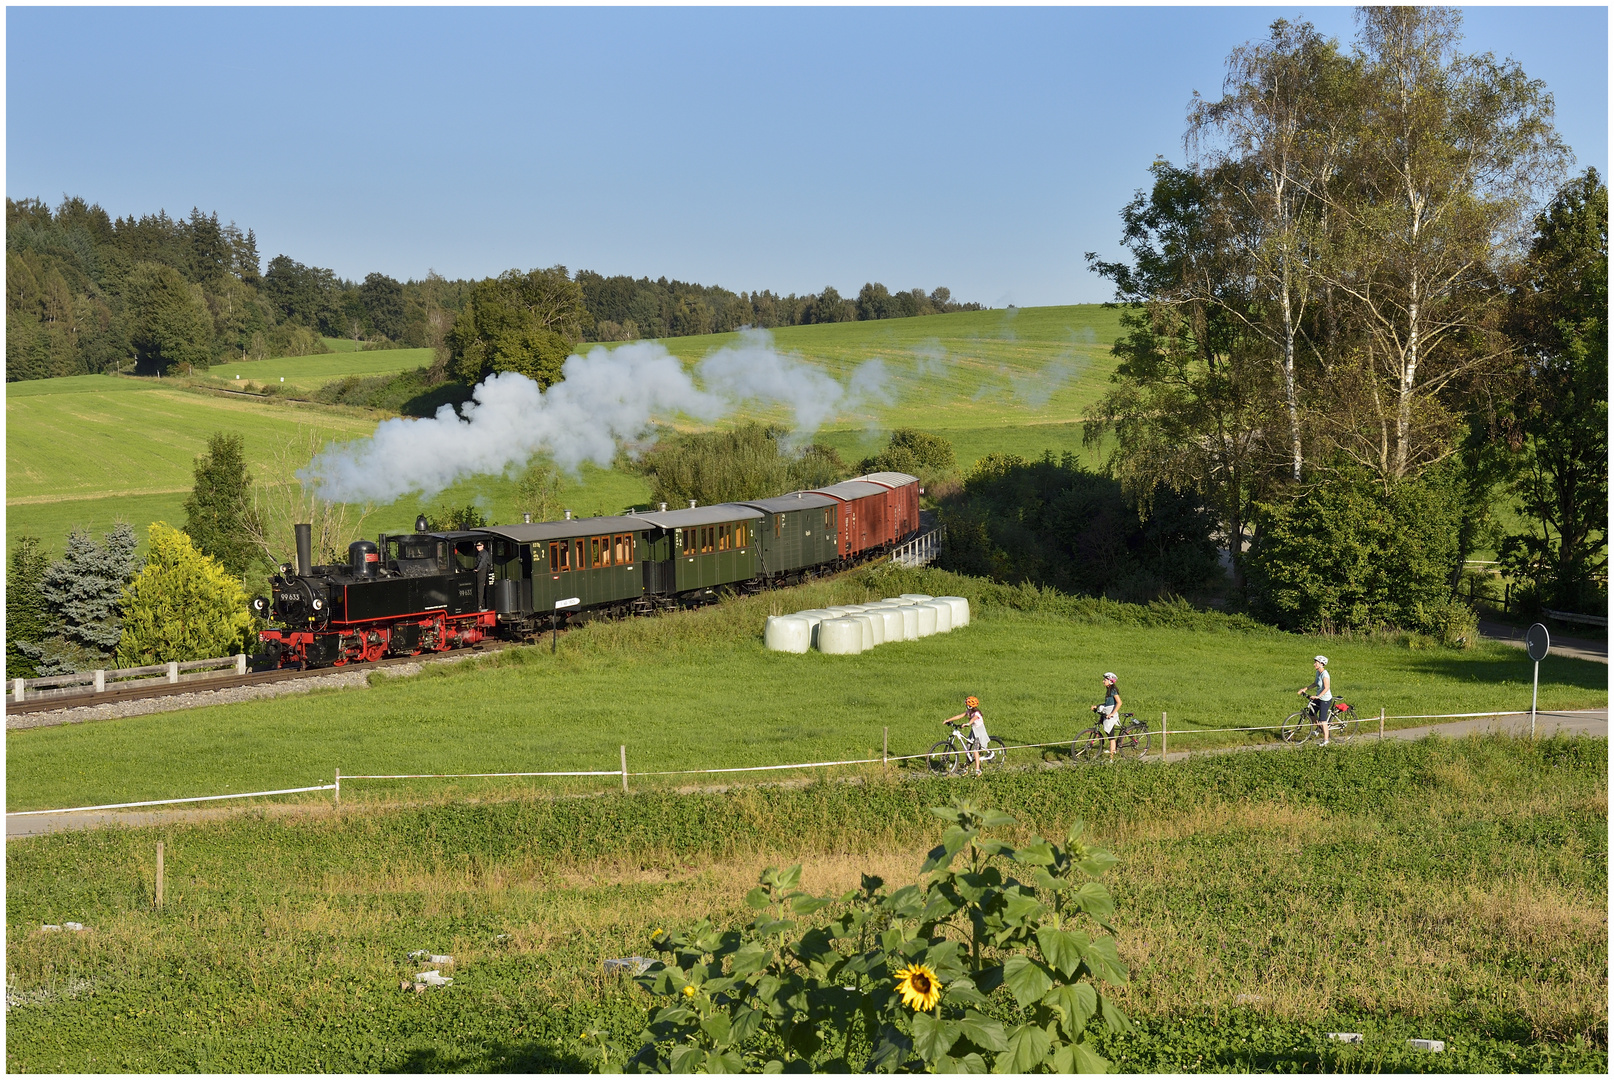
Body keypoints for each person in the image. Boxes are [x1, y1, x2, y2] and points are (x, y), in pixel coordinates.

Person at [944, 695, 989, 777]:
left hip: (979, 732)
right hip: (973, 731)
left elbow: (973, 719)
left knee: (975, 750)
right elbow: (959, 716)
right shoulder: (969, 712)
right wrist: (948, 720)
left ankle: (978, 770)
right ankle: (966, 768)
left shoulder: (977, 713)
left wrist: (967, 724)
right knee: (967, 749)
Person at [1297, 655, 1333, 745]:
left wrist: (1318, 696)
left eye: (1316, 663)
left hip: (1325, 699)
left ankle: (1326, 740)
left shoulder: (1325, 674)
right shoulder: (1318, 672)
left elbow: (1327, 687)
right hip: (1319, 697)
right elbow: (1315, 683)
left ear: (1321, 664)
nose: (1314, 664)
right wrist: (1305, 689)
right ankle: (1319, 729)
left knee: (1323, 720)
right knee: (1312, 715)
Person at [1091, 672, 1122, 757]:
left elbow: (1119, 703)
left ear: (1110, 681)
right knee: (1109, 734)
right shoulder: (1108, 690)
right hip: (1107, 713)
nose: (1103, 681)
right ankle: (1112, 750)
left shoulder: (1113, 690)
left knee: (1111, 737)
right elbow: (1107, 703)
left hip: (1111, 715)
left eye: (1105, 680)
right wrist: (1097, 706)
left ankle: (1112, 758)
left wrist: (1112, 714)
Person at [474, 540, 493, 610]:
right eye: (477, 546)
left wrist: (477, 569)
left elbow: (482, 562)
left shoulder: (484, 553)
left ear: (483, 546)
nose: (478, 547)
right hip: (480, 570)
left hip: (483, 570)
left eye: (479, 546)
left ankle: (479, 604)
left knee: (480, 587)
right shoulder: (479, 553)